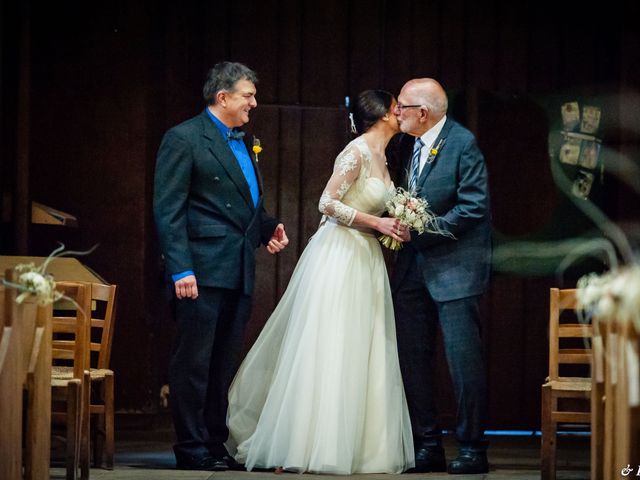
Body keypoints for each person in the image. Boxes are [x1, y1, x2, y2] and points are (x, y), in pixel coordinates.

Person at [225, 90, 415, 474]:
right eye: (395, 106)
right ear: (379, 114)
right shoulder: (356, 152)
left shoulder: (384, 156)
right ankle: (309, 443)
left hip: (367, 258)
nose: (400, 112)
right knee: (332, 343)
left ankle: (363, 447)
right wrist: (376, 222)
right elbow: (326, 203)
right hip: (340, 254)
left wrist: (400, 221)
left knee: (365, 343)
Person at [153, 61, 289, 471]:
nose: (254, 102)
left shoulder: (243, 141)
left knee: (223, 362)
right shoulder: (184, 138)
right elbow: (169, 209)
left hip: (238, 268)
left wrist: (266, 228)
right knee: (194, 362)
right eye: (248, 95)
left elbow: (244, 201)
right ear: (222, 96)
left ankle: (214, 442)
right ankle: (191, 446)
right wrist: (181, 269)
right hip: (200, 269)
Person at [391, 78, 492, 475]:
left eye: (402, 105)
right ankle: (427, 444)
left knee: (463, 363)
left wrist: (422, 230)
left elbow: (473, 207)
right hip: (412, 269)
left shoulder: (462, 143)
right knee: (413, 359)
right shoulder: (406, 145)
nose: (396, 112)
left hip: (455, 269)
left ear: (423, 113)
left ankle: (472, 448)